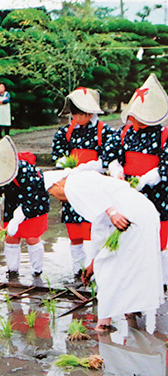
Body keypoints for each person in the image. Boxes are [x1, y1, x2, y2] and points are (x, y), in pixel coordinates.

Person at [45, 169, 164, 332]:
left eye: (53, 193)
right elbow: (100, 228)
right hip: (143, 211)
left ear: (57, 184)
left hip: (128, 215)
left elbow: (101, 205)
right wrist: (92, 262)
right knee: (134, 263)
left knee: (107, 267)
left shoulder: (73, 184)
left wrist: (112, 213)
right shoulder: (87, 178)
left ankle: (103, 323)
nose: (57, 198)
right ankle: (131, 308)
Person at [103, 73, 168, 290]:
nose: (134, 121)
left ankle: (160, 282)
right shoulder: (124, 133)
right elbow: (112, 156)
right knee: (130, 234)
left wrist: (146, 179)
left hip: (157, 194)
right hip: (128, 192)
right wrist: (116, 168)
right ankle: (133, 279)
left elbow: (165, 167)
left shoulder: (164, 135)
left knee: (158, 239)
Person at [51, 87, 115, 278]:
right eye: (74, 114)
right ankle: (77, 269)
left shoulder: (106, 131)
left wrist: (89, 167)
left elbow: (109, 158)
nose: (77, 119)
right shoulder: (65, 132)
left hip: (95, 185)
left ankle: (96, 268)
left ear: (91, 113)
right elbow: (58, 155)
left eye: (82, 115)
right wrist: (66, 165)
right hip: (72, 185)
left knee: (95, 227)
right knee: (74, 230)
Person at [0, 138, 50, 279]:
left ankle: (38, 272)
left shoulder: (26, 170)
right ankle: (12, 272)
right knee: (11, 237)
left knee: (32, 237)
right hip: (12, 203)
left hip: (35, 203)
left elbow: (31, 198)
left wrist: (17, 219)